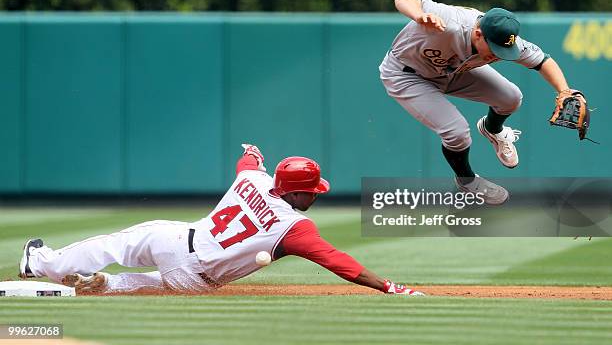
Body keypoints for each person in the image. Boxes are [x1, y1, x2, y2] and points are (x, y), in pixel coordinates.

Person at [18, 144, 424, 296]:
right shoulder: (296, 229)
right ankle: (106, 286)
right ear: (297, 192)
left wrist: (254, 151)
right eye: (313, 191)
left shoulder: (254, 177)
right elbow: (339, 263)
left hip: (177, 240)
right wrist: (389, 287)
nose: (316, 196)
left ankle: (40, 264)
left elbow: (247, 160)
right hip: (195, 280)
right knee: (158, 287)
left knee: (114, 244)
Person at [379, 0, 585, 204]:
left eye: (503, 51)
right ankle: (467, 181)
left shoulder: (505, 40)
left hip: (451, 72)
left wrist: (564, 90)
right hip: (406, 74)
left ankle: (493, 129)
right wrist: (418, 15)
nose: (497, 56)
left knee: (511, 97)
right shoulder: (451, 21)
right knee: (457, 132)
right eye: (495, 49)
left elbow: (543, 61)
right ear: (478, 33)